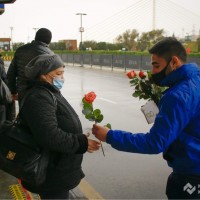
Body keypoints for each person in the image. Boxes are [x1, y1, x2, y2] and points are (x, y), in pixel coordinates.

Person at [92, 37, 200, 199]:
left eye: (156, 65)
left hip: (191, 174)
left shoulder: (177, 96)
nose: (153, 71)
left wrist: (110, 136)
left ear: (174, 62)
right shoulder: (195, 80)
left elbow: (155, 143)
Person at [20, 54, 101, 199]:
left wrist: (78, 135)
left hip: (58, 170)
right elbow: (49, 135)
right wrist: (81, 143)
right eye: (58, 74)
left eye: (63, 73)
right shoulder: (39, 97)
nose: (62, 78)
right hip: (51, 174)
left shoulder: (49, 92)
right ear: (44, 76)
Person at [7, 28, 54, 104]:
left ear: (35, 37)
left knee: (24, 114)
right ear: (49, 40)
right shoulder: (50, 54)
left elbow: (11, 74)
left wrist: (13, 92)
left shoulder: (20, 50)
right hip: (42, 95)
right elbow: (52, 79)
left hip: (22, 93)